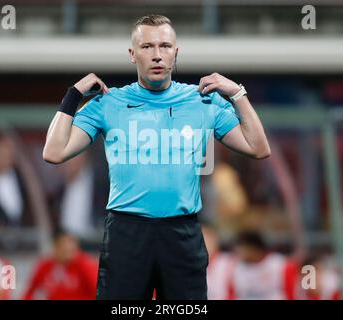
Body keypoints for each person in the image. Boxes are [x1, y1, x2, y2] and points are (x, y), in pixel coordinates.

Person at [42, 14, 270, 300]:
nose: (157, 55)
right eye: (147, 47)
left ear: (176, 53)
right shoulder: (107, 102)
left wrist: (237, 94)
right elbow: (53, 151)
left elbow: (259, 147)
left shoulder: (202, 100)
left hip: (181, 233)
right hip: (127, 233)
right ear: (132, 54)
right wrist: (73, 95)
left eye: (164, 46)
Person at [22, 232, 98, 300]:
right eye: (63, 248)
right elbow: (29, 292)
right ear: (55, 247)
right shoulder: (45, 266)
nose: (68, 252)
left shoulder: (86, 264)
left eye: (71, 249)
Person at [226, 230, 296, 300]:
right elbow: (231, 295)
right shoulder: (236, 269)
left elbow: (293, 293)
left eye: (240, 250)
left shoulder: (280, 265)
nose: (237, 255)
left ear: (252, 249)